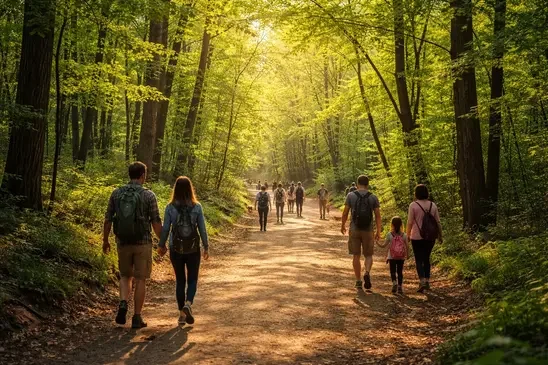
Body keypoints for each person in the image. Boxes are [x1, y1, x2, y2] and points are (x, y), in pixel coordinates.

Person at [103, 162, 162, 329]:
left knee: (124, 276)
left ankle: (123, 303)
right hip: (143, 243)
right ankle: (137, 317)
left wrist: (105, 240)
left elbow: (108, 219)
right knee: (140, 279)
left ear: (130, 175)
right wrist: (163, 242)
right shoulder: (149, 195)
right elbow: (156, 222)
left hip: (122, 242)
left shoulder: (116, 193)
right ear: (143, 175)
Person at [157, 176, 209, 325]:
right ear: (190, 189)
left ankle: (181, 314)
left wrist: (161, 245)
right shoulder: (197, 206)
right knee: (192, 279)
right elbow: (202, 229)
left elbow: (166, 228)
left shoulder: (170, 207)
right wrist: (206, 247)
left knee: (180, 281)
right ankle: (188, 304)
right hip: (193, 249)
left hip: (176, 248)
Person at [340, 175, 381, 290]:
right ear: (368, 184)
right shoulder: (373, 197)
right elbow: (377, 216)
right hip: (368, 230)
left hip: (354, 229)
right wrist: (378, 231)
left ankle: (358, 280)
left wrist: (343, 225)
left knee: (356, 255)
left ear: (357, 184)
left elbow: (345, 212)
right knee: (368, 255)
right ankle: (367, 272)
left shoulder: (351, 195)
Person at [406, 184, 443, 292]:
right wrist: (440, 235)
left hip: (416, 236)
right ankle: (427, 281)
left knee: (418, 259)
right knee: (426, 258)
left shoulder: (413, 205)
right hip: (431, 236)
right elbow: (438, 222)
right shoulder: (433, 205)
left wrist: (407, 235)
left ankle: (421, 281)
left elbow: (409, 222)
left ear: (416, 193)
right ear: (427, 193)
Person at [377, 217, 408, 294]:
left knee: (393, 271)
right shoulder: (404, 235)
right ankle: (400, 286)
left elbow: (383, 246)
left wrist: (377, 242)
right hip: (401, 257)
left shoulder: (389, 234)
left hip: (392, 256)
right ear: (401, 225)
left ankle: (394, 283)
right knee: (400, 271)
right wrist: (407, 255)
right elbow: (407, 246)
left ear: (392, 225)